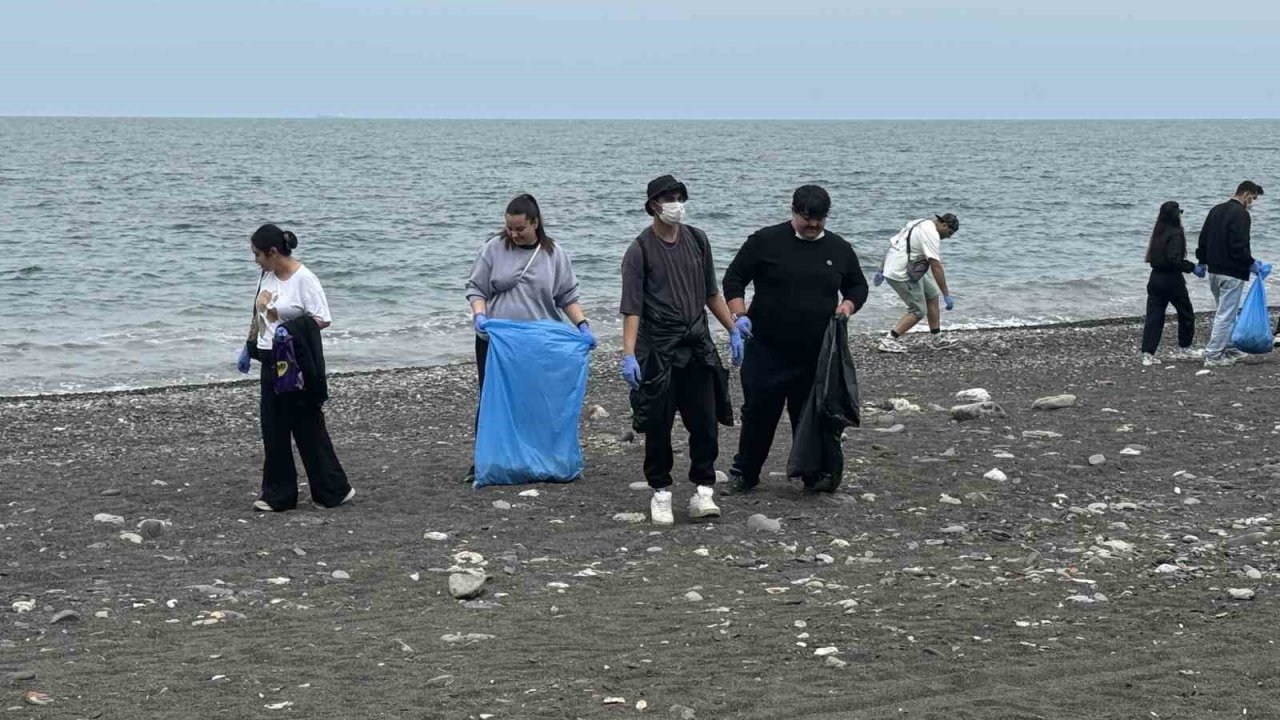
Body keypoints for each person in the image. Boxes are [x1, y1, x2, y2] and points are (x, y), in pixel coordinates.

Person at [722, 184, 868, 494]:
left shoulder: (839, 249)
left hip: (815, 353)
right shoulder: (764, 241)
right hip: (766, 349)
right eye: (808, 218)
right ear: (794, 211)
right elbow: (733, 278)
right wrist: (739, 315)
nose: (814, 225)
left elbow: (858, 286)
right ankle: (745, 473)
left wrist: (848, 305)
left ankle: (812, 473)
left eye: (820, 220)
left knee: (811, 416)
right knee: (759, 414)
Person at [620, 175, 739, 525]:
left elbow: (710, 293)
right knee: (657, 422)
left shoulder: (697, 240)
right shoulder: (639, 250)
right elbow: (632, 308)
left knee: (704, 420)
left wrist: (733, 329)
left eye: (678, 196)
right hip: (658, 348)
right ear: (654, 205)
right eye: (667, 198)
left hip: (696, 343)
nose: (675, 203)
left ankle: (704, 491)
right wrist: (629, 354)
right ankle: (660, 492)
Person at [464, 194, 596, 483]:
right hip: (497, 342)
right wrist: (479, 316)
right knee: (493, 398)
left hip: (539, 344)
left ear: (535, 223)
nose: (513, 234)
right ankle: (486, 461)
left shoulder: (554, 254)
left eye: (520, 228)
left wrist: (583, 325)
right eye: (509, 228)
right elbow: (476, 289)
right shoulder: (493, 249)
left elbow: (566, 296)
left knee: (537, 400)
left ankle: (539, 458)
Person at [241, 223, 354, 512]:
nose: (255, 261)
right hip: (269, 358)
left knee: (307, 425)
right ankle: (278, 495)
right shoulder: (267, 276)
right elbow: (260, 313)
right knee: (273, 428)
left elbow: (322, 318)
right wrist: (249, 345)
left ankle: (333, 490)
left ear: (274, 252)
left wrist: (290, 330)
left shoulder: (305, 279)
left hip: (296, 361)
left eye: (258, 255)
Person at [1196, 181, 1265, 367]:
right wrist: (1250, 263)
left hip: (1214, 271)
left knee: (1225, 311)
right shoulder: (1241, 215)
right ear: (1246, 194)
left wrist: (1202, 260)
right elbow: (1238, 245)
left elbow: (1203, 238)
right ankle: (1213, 355)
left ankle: (1230, 348)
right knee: (1226, 314)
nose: (1252, 203)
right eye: (1253, 198)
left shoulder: (1216, 210)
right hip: (1232, 272)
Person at [873, 213, 961, 353]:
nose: (949, 237)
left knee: (932, 294)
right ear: (943, 224)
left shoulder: (920, 222)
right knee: (918, 310)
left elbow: (894, 244)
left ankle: (936, 338)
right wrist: (946, 294)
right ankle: (888, 341)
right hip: (901, 272)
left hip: (908, 266)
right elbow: (936, 266)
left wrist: (881, 267)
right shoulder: (931, 234)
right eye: (949, 232)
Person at [1140, 201, 1202, 366]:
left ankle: (1148, 353)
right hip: (1172, 279)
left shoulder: (1158, 232)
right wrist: (1192, 268)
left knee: (1154, 317)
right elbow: (1174, 259)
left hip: (1155, 279)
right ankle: (1185, 347)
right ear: (1176, 215)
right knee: (1186, 313)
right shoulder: (1176, 233)